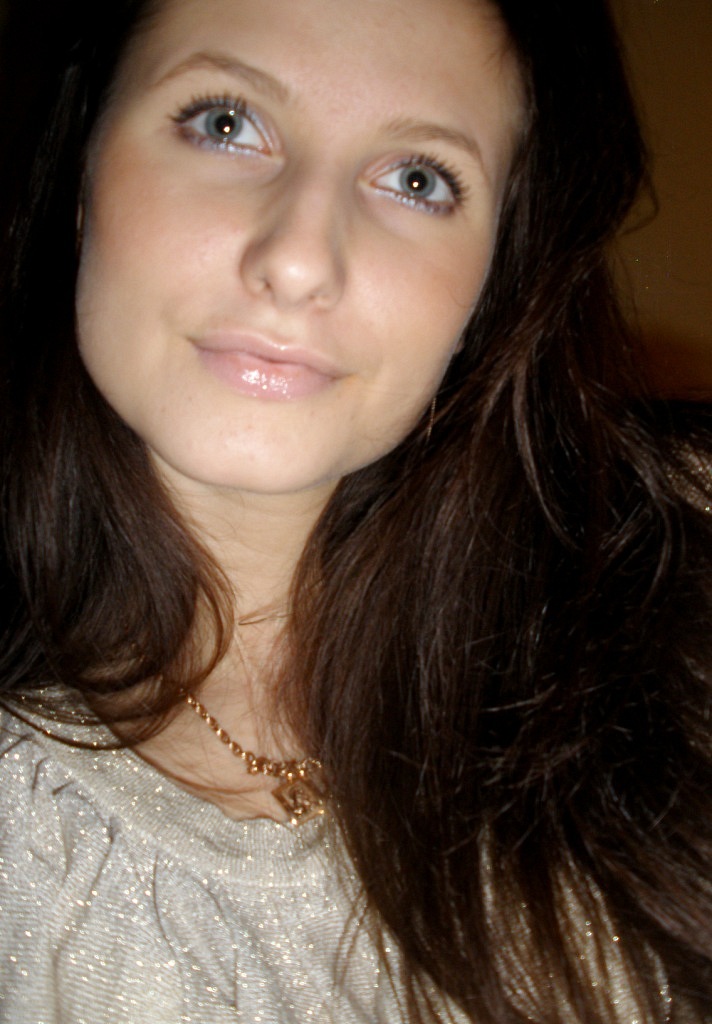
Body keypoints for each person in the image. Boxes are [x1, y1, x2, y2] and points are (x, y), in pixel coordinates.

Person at [0, 0, 711, 1020]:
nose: (299, 258)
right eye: (226, 122)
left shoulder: (681, 581)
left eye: (417, 179)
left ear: (492, 278)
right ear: (84, 169)